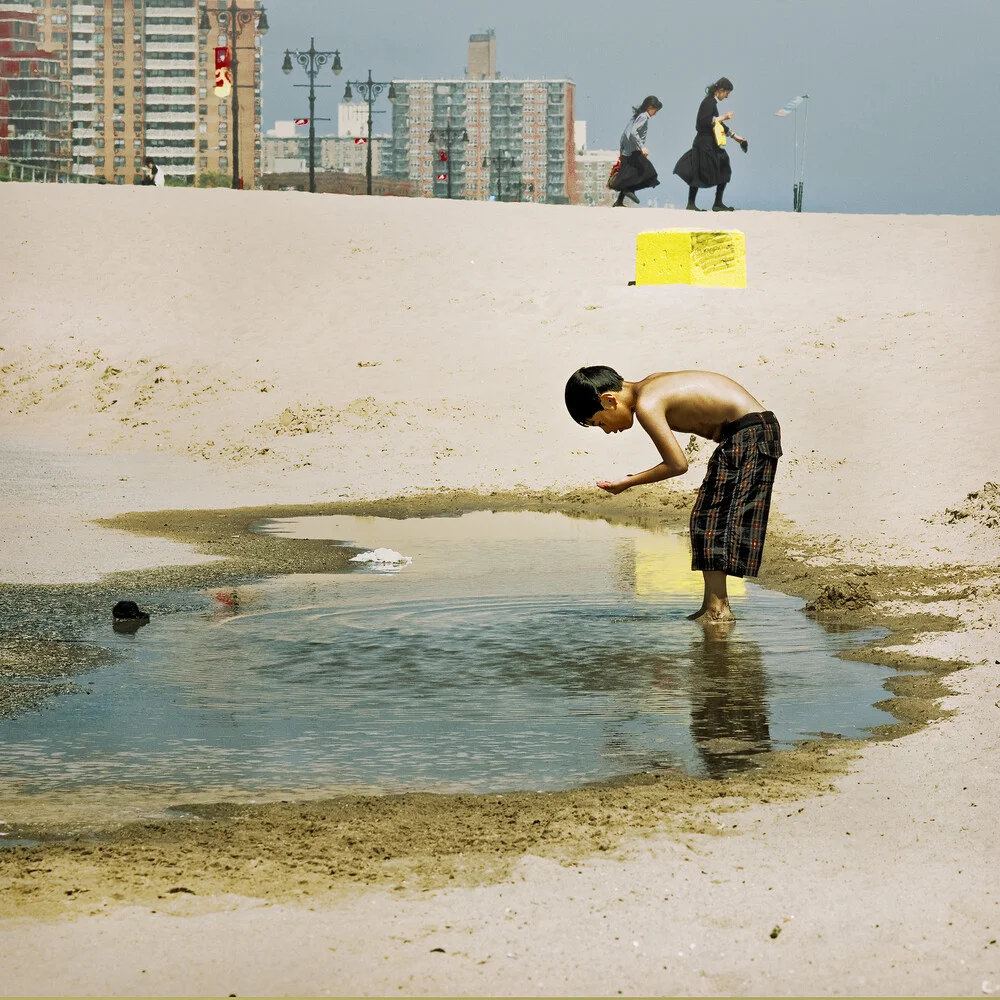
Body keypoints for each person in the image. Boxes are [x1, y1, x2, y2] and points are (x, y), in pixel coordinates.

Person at [564, 365, 782, 622]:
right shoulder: (649, 385)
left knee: (712, 520)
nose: (608, 431)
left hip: (750, 432)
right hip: (749, 432)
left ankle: (718, 609)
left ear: (609, 400)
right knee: (707, 519)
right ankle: (712, 605)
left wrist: (628, 482)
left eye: (600, 422)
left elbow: (677, 464)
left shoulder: (647, 402)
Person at [672, 77, 748, 212]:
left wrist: (736, 137)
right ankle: (712, 203)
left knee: (703, 170)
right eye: (727, 93)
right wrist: (723, 117)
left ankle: (701, 204)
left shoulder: (711, 103)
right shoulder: (709, 102)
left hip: (705, 143)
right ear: (720, 90)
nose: (727, 96)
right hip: (704, 144)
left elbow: (718, 124)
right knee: (712, 168)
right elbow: (704, 122)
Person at [609, 95, 663, 208]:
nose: (655, 113)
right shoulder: (643, 116)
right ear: (650, 107)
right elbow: (633, 132)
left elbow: (626, 133)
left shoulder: (637, 115)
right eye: (655, 110)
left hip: (628, 149)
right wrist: (641, 147)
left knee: (631, 173)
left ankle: (620, 200)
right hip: (633, 150)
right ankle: (627, 189)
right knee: (650, 174)